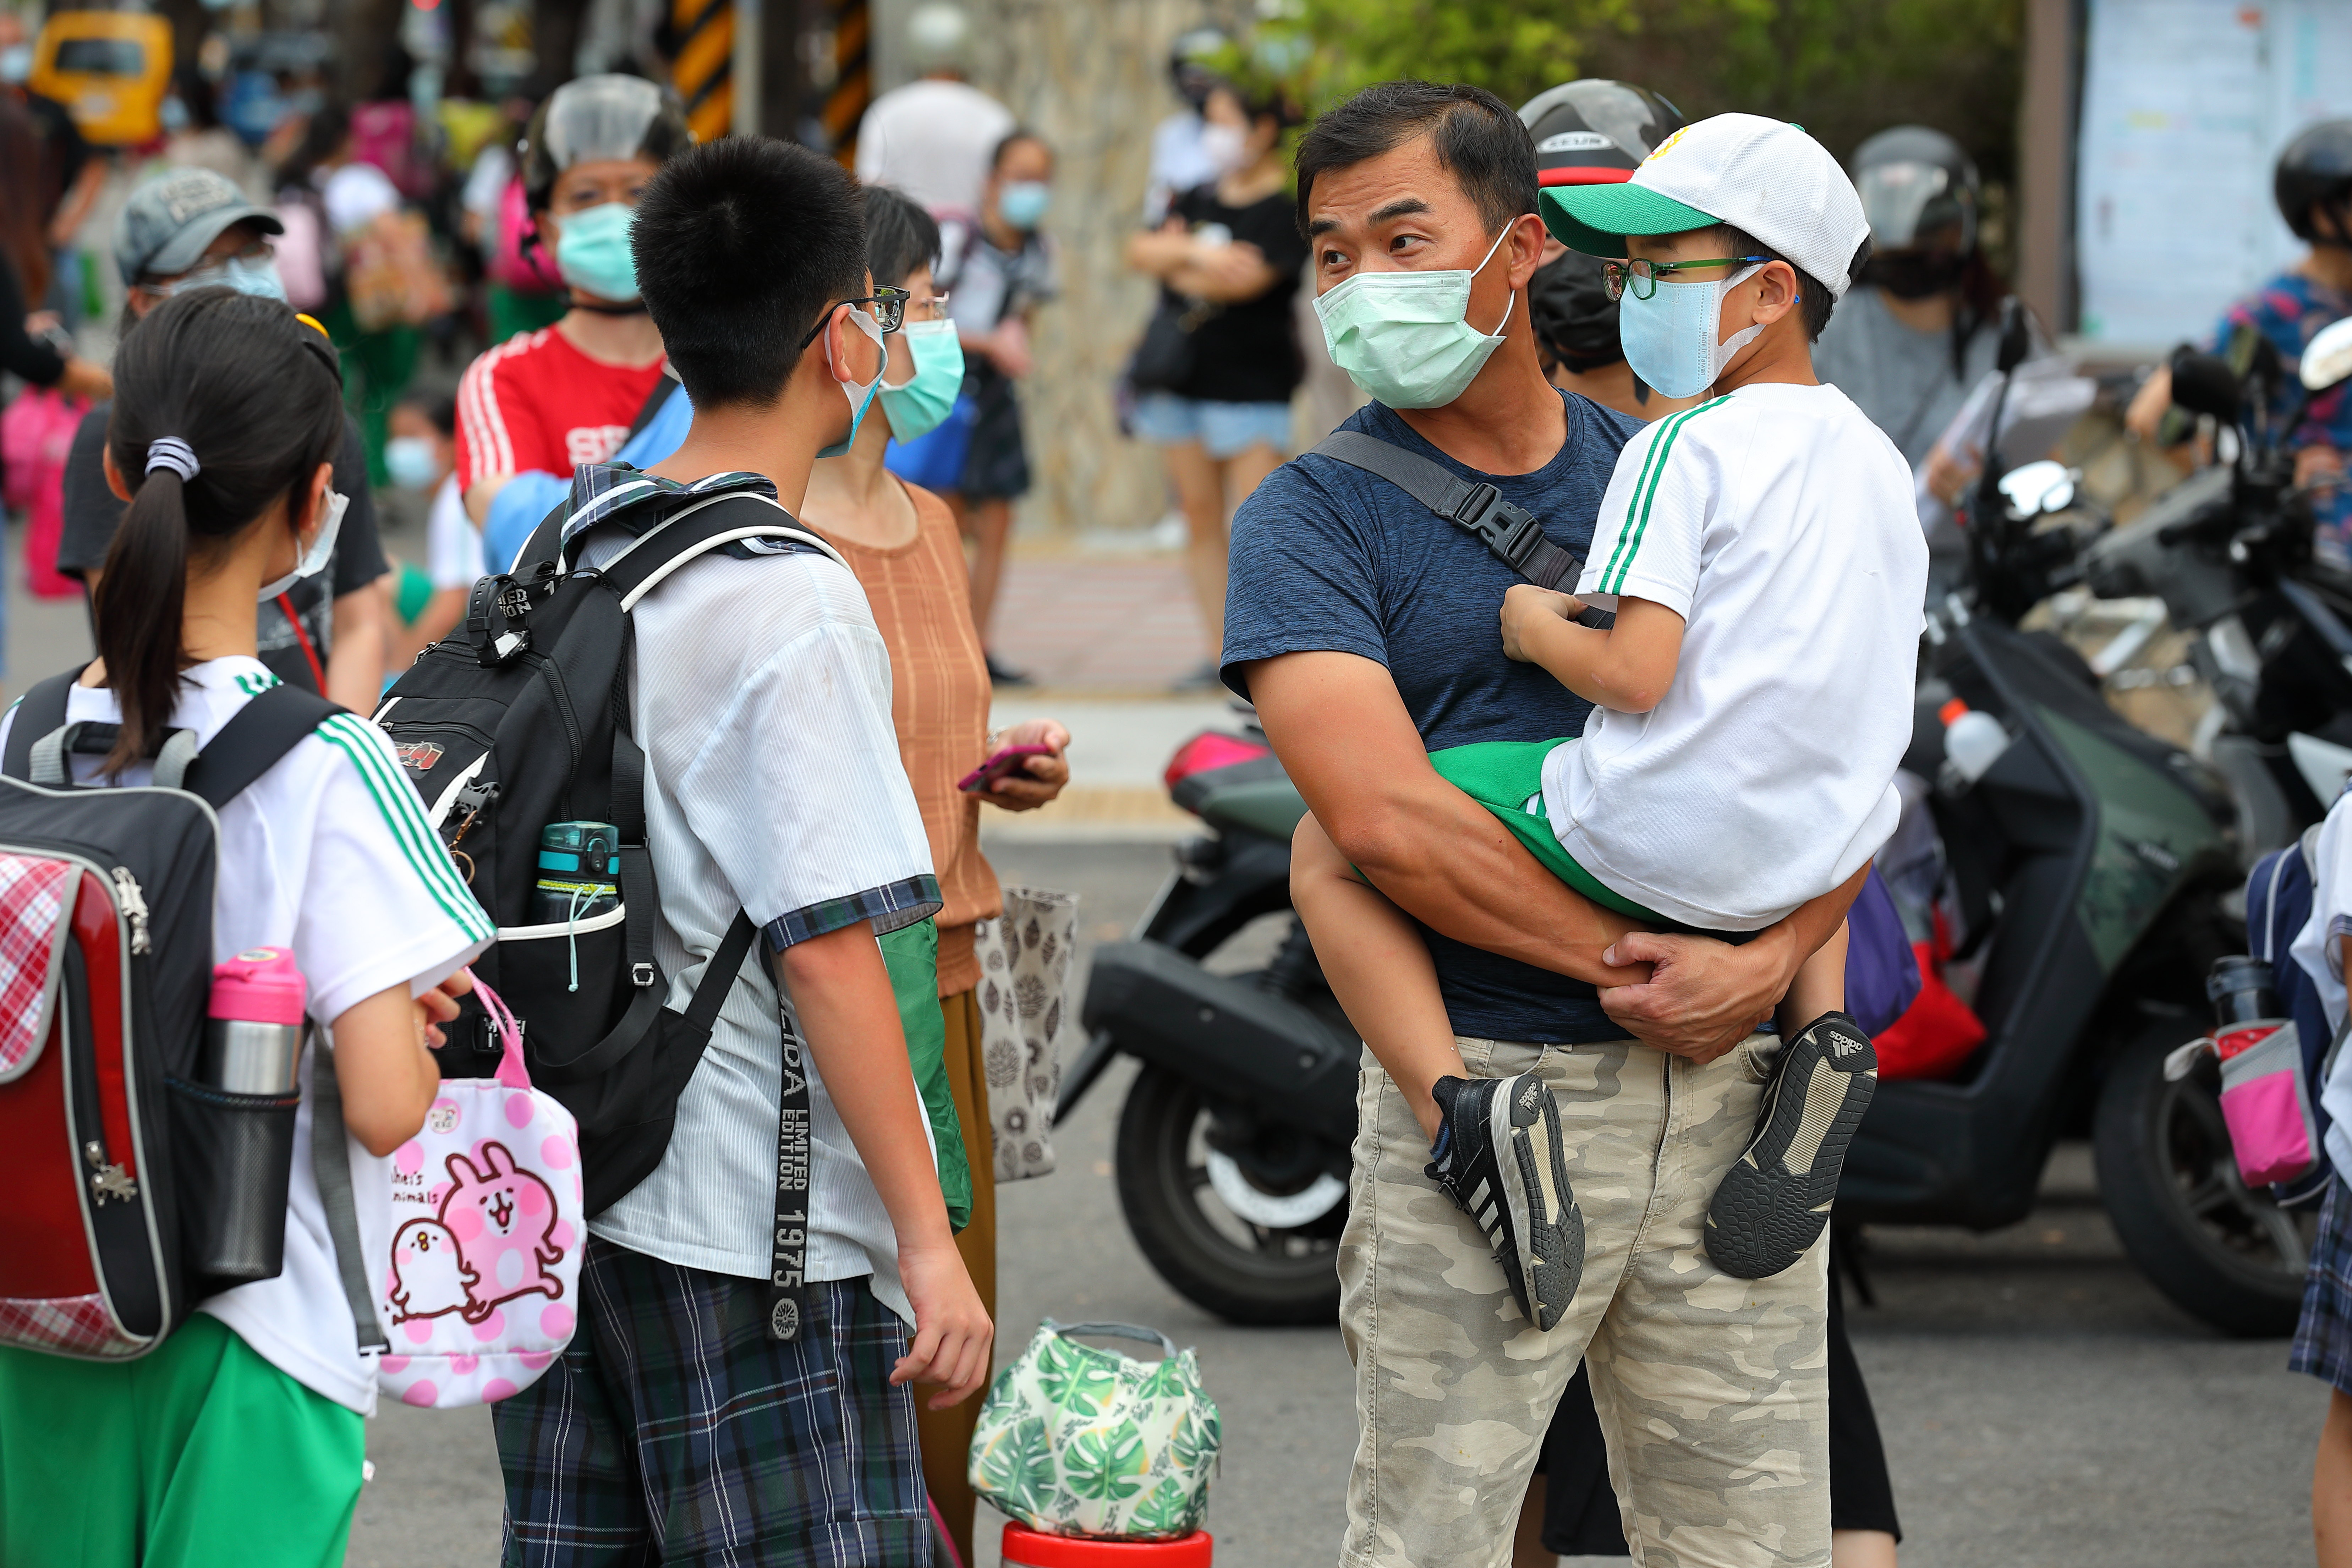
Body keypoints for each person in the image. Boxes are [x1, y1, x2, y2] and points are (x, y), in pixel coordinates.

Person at [1223, 83, 1874, 1568]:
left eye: (1403, 235)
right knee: (1441, 1532)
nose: (1364, 282)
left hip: (1730, 1097)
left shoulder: (1687, 463)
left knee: (1749, 1541)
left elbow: (1831, 745)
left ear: (1520, 251)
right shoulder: (1309, 520)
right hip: (1497, 1092)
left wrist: (1771, 964)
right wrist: (1666, 974)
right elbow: (1384, 822)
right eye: (1333, 256)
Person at [489, 137, 992, 1564]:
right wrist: (923, 1240)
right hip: (744, 1226)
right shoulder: (788, 594)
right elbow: (830, 944)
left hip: (581, 1178)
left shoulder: (581, 538)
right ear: (846, 336)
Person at [0, 289, 487, 1568]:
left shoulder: (18, 735)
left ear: (116, 474)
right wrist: (411, 1033)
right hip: (254, 1333)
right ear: (311, 503)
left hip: (36, 1312)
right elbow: (385, 1104)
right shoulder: (330, 759)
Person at [799, 180, 1073, 1568]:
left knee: (949, 1392)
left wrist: (1008, 769)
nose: (946, 333)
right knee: (851, 1387)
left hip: (955, 996)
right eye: (924, 304)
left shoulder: (932, 519)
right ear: (842, 328)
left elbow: (930, 742)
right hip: (835, 1008)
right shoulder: (771, 536)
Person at [55, 168, 391, 710]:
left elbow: (359, 620)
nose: (243, 278)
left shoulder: (320, 414)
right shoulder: (117, 435)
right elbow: (125, 640)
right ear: (144, 302)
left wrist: (338, 748)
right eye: (207, 265)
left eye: (254, 253)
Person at [1125, 81, 1309, 685]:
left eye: (1226, 120)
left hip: (1251, 382)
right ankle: (1216, 651)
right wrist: (1202, 258)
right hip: (1179, 379)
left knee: (1256, 521)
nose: (1214, 133)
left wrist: (1178, 259)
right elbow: (1139, 250)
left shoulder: (1283, 209)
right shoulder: (1195, 193)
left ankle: (1265, 649)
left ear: (1261, 131)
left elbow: (1250, 283)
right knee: (1200, 517)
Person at [455, 76, 690, 536]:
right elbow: (511, 524)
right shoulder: (502, 378)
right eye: (586, 196)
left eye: (639, 193)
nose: (614, 214)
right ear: (546, 228)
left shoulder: (736, 361)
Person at [2128, 119, 2352, 569]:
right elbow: (2149, 417)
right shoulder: (2273, 311)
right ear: (2321, 213)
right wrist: (2265, 482)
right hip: (2320, 557)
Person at [1812, 127, 2012, 500]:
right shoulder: (1826, 326)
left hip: (1966, 553)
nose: (1908, 249)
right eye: (1887, 232)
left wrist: (1993, 489)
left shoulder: (2006, 330)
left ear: (1962, 227)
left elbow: (2046, 458)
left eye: (1930, 232)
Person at [941, 128, 1057, 682]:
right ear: (991, 180)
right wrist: (987, 341)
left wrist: (1012, 340)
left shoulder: (1038, 251)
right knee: (945, 516)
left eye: (1040, 178)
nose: (1030, 190)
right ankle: (943, 638)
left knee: (998, 520)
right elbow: (921, 316)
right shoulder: (956, 238)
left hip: (995, 390)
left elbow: (1026, 314)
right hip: (946, 383)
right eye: (1020, 176)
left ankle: (977, 646)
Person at [855, 2, 1014, 222]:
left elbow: (870, 188)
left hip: (905, 245)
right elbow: (1004, 194)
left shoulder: (886, 112)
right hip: (972, 247)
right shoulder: (994, 116)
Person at [384, 392, 479, 660]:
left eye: (413, 436)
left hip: (475, 618)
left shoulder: (456, 496)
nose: (401, 449)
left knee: (375, 580)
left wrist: (400, 672)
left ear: (451, 442)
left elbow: (453, 600)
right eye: (396, 437)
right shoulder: (451, 494)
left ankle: (396, 671)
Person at [1142, 27, 1229, 227]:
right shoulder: (1173, 133)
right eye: (1191, 78)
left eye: (1206, 76)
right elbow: (1159, 206)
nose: (1198, 85)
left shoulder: (1246, 129)